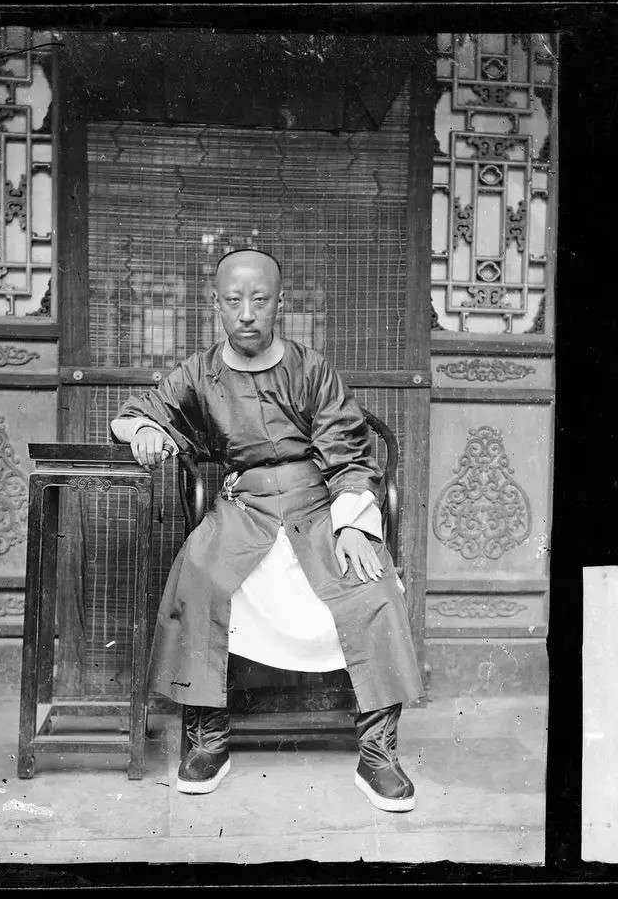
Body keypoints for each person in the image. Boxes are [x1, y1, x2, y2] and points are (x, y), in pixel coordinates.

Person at [111, 248, 424, 812]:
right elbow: (140, 412)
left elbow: (351, 455)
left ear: (280, 304)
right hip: (245, 507)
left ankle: (378, 754)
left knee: (373, 590)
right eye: (234, 301)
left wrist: (354, 526)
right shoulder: (199, 373)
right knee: (201, 578)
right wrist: (143, 431)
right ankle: (208, 742)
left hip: (319, 507)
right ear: (216, 305)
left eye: (260, 300)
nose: (247, 313)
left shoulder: (312, 369)